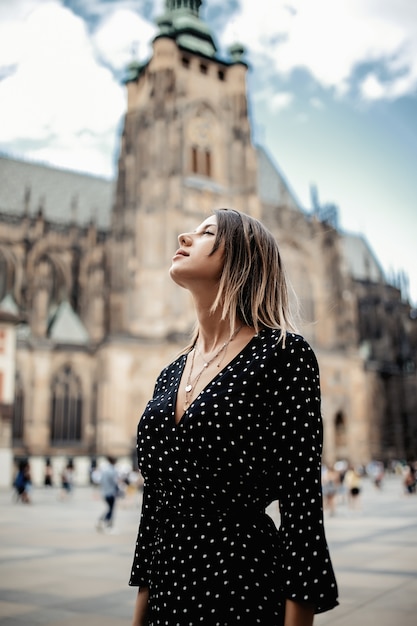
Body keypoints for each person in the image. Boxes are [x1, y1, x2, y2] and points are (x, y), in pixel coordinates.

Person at [129, 208, 339, 625]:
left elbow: (303, 515)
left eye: (206, 232)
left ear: (241, 258)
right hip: (166, 600)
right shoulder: (171, 371)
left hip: (240, 590)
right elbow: (154, 513)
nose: (184, 237)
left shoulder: (284, 355)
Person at [96, 456, 120, 531]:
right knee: (111, 509)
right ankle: (106, 523)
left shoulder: (104, 469)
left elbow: (100, 481)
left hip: (104, 492)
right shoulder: (112, 470)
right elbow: (114, 481)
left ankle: (102, 521)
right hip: (111, 492)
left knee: (109, 508)